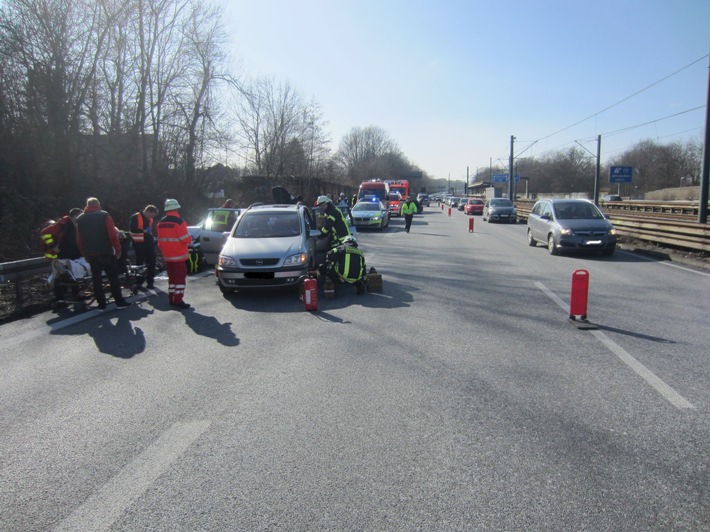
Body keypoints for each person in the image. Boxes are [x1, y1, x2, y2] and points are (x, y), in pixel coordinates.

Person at [76, 197, 131, 310]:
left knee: (96, 279)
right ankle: (119, 302)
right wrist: (118, 249)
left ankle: (101, 304)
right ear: (98, 204)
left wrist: (84, 253)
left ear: (87, 205)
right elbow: (112, 235)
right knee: (113, 277)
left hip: (90, 253)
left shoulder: (80, 219)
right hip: (105, 251)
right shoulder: (104, 215)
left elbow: (79, 239)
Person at [156, 198, 192, 309]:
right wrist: (190, 238)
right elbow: (185, 239)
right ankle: (178, 299)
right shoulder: (180, 222)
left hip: (167, 256)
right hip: (178, 255)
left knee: (172, 278)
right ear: (177, 208)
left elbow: (160, 240)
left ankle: (171, 297)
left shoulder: (160, 223)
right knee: (180, 278)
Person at [129, 205, 159, 289]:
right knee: (140, 264)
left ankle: (150, 282)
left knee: (151, 262)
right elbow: (132, 229)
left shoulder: (150, 219)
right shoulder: (135, 217)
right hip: (139, 244)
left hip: (148, 243)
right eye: (152, 214)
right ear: (149, 212)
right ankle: (139, 282)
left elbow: (149, 231)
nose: (152, 217)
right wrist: (144, 231)